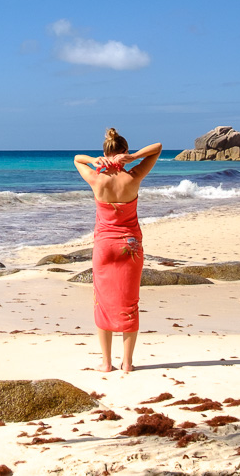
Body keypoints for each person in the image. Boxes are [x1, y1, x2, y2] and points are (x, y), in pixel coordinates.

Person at [73, 129, 163, 372]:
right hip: (130, 247)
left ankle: (106, 363)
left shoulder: (95, 179)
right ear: (123, 152)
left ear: (105, 153)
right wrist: (133, 158)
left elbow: (76, 159)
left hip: (104, 247)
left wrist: (94, 161)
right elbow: (157, 147)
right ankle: (128, 363)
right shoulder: (134, 176)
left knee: (101, 302)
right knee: (129, 302)